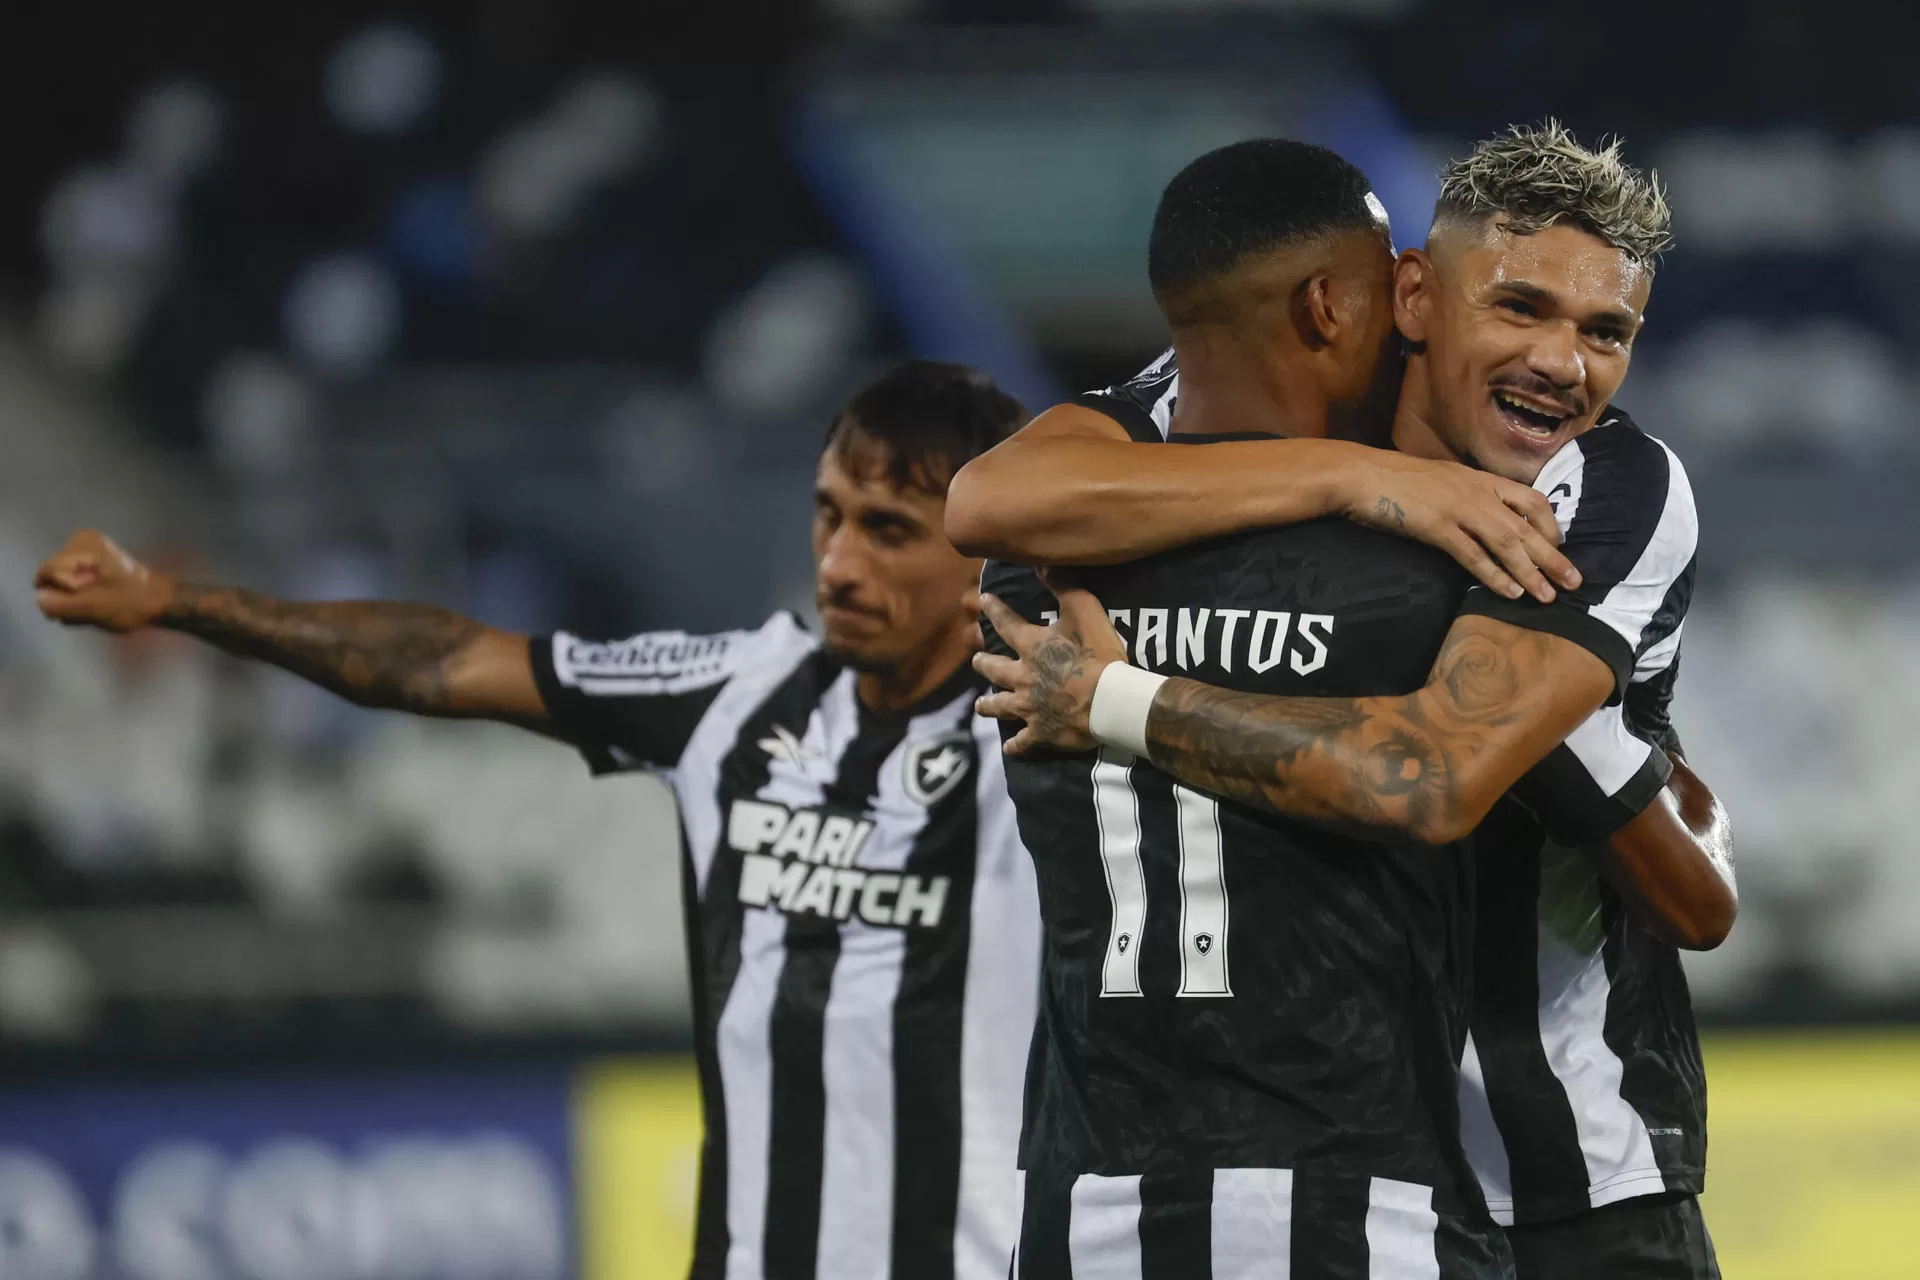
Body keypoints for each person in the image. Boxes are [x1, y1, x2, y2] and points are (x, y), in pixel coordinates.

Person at [34, 361, 1044, 1280]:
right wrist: (177, 600)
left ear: (986, 552)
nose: (840, 563)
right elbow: (441, 660)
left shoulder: (1055, 741)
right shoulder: (735, 692)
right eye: (831, 516)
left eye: (891, 530)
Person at [968, 125, 1729, 1280]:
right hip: (1330, 1154)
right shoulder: (1255, 416)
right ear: (1414, 297)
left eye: (1605, 332)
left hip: (1563, 1162)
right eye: (1520, 308)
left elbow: (1444, 775)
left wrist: (1116, 697)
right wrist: (1363, 475)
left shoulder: (1609, 484)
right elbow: (994, 496)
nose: (1562, 364)